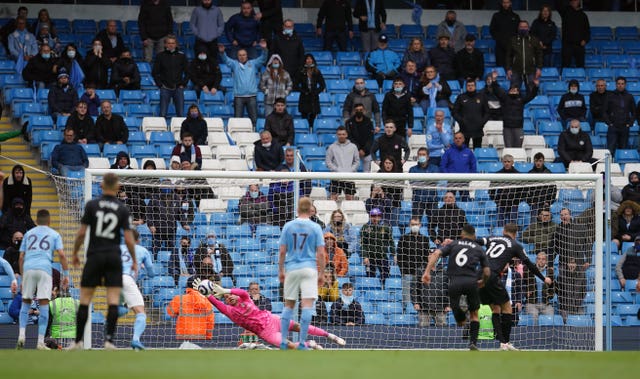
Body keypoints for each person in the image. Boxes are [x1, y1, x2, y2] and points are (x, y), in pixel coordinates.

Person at [68, 173, 136, 350]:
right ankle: (109, 341)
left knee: (85, 299)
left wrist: (75, 252)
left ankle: (77, 342)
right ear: (117, 187)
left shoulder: (92, 205)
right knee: (113, 300)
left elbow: (82, 233)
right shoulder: (122, 208)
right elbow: (129, 239)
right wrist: (134, 260)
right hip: (113, 256)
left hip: (95, 255)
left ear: (102, 185)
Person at [196, 278, 345, 349]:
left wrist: (225, 290)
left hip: (272, 319)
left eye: (231, 295)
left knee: (299, 326)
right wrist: (205, 293)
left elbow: (241, 291)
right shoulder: (229, 311)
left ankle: (331, 336)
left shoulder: (245, 298)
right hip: (265, 332)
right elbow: (216, 303)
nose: (230, 297)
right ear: (227, 302)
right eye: (227, 298)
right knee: (289, 346)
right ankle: (310, 344)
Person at [476, 223, 553, 351]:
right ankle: (505, 342)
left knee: (495, 309)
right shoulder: (515, 245)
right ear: (516, 234)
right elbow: (529, 265)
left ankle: (503, 342)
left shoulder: (492, 238)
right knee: (507, 309)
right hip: (492, 276)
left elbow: (477, 241)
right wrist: (544, 278)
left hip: (479, 275)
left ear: (503, 231)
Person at [422, 224, 490, 350]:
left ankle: (461, 318)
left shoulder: (454, 244)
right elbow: (486, 271)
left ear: (461, 234)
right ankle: (473, 342)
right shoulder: (479, 248)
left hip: (455, 281)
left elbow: (436, 253)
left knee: (456, 308)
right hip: (471, 282)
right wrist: (483, 282)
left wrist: (426, 272)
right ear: (474, 236)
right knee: (475, 314)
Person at [278, 197, 326, 350]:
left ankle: (284, 341)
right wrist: (322, 273)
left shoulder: (288, 226)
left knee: (289, 305)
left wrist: (281, 270)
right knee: (307, 305)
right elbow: (321, 254)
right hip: (309, 269)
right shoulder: (315, 227)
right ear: (311, 210)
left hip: (292, 268)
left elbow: (282, 252)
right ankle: (302, 342)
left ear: (298, 209)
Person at [16, 209, 68, 350]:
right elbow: (62, 255)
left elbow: (21, 257)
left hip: (28, 269)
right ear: (49, 221)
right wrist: (66, 274)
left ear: (36, 221)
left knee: (26, 302)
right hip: (45, 269)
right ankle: (40, 342)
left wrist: (22, 277)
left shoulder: (28, 234)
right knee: (44, 304)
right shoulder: (54, 234)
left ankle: (21, 335)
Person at [551, 208, 592, 318]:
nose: (563, 216)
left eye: (565, 214)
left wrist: (588, 259)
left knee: (579, 286)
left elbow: (587, 245)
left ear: (570, 215)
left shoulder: (581, 228)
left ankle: (576, 308)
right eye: (561, 214)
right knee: (564, 286)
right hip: (563, 263)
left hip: (580, 263)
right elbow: (554, 248)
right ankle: (564, 310)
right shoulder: (558, 230)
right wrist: (550, 263)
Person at [119, 229, 155, 350]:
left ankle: (109, 323)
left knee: (122, 308)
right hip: (127, 279)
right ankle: (136, 340)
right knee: (141, 313)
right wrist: (143, 268)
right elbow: (151, 273)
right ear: (138, 240)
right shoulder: (142, 250)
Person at [219, 40, 268, 127]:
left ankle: (254, 136)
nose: (242, 57)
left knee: (254, 120)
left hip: (251, 96)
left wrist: (264, 49)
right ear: (237, 56)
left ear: (247, 56)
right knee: (238, 121)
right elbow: (226, 60)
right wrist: (222, 53)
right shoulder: (234, 64)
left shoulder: (253, 63)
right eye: (240, 55)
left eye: (244, 55)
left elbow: (263, 58)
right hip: (239, 96)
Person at [490, 71, 539, 148]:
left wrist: (536, 87)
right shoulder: (505, 98)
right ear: (509, 90)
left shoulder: (521, 100)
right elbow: (496, 90)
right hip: (507, 128)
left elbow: (531, 96)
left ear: (518, 91)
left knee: (518, 149)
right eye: (512, 89)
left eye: (515, 90)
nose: (514, 91)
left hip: (518, 127)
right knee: (508, 148)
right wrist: (494, 80)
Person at [397, 217, 430, 311]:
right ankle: (406, 313)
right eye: (412, 224)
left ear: (420, 225)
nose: (414, 226)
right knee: (406, 296)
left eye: (416, 224)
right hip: (407, 273)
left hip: (420, 273)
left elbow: (426, 256)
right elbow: (400, 256)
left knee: (420, 294)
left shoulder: (425, 239)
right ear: (409, 225)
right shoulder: (403, 238)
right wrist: (403, 271)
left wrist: (423, 271)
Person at [166, 276, 215, 341]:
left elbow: (170, 313)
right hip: (201, 336)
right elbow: (210, 321)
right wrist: (208, 336)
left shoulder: (178, 299)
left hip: (182, 336)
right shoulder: (207, 301)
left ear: (187, 286)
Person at [153, 35, 188, 118]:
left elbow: (188, 72)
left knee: (180, 114)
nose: (171, 45)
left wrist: (183, 84)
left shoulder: (182, 56)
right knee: (163, 114)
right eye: (169, 43)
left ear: (176, 44)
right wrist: (160, 85)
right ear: (165, 45)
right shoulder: (160, 56)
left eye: (173, 43)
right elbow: (155, 72)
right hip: (165, 87)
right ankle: (161, 130)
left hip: (178, 88)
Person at [360, 207, 394, 289]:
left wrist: (394, 253)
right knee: (370, 276)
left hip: (382, 257)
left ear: (380, 216)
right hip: (370, 257)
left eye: (377, 216)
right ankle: (372, 292)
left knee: (385, 275)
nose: (375, 218)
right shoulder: (365, 227)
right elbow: (363, 244)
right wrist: (365, 256)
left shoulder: (386, 227)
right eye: (373, 216)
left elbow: (391, 241)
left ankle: (384, 290)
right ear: (370, 216)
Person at [505, 20, 542, 92]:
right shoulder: (512, 40)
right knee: (513, 93)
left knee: (532, 92)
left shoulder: (534, 40)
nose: (523, 28)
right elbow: (508, 56)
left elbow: (539, 55)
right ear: (518, 28)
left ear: (528, 28)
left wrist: (539, 68)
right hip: (516, 71)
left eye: (525, 27)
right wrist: (508, 69)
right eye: (521, 27)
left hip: (531, 70)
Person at [603, 76, 636, 155]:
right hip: (613, 127)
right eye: (618, 84)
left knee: (623, 150)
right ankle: (610, 166)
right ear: (616, 84)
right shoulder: (610, 96)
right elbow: (604, 111)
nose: (620, 85)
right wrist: (609, 123)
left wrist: (630, 123)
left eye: (622, 84)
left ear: (625, 85)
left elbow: (634, 112)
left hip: (625, 127)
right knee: (610, 150)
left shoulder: (629, 96)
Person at [452, 79, 489, 149]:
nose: (470, 87)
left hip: (478, 129)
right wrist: (461, 121)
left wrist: (482, 122)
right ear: (466, 87)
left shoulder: (481, 97)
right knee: (463, 150)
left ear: (475, 86)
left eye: (472, 85)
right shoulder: (461, 97)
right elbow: (454, 112)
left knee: (477, 151)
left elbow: (487, 112)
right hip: (464, 129)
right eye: (468, 85)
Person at [326, 126, 360, 201]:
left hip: (349, 177)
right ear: (337, 135)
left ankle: (350, 213)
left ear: (346, 135)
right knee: (333, 199)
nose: (341, 136)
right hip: (335, 177)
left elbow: (357, 161)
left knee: (350, 199)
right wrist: (336, 170)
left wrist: (351, 170)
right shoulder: (332, 147)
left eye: (343, 134)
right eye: (339, 134)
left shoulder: (353, 147)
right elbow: (328, 161)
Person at [522, 251, 555, 325]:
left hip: (545, 303)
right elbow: (522, 284)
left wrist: (549, 295)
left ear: (546, 261)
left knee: (551, 315)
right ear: (536, 260)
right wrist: (525, 292)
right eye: (539, 259)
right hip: (532, 303)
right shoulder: (529, 270)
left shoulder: (550, 271)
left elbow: (553, 287)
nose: (541, 260)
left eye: (543, 259)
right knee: (534, 315)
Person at [295, 54, 325, 130]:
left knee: (313, 116)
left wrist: (316, 92)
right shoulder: (300, 72)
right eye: (307, 59)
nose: (309, 60)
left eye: (310, 59)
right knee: (304, 116)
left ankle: (311, 130)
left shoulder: (317, 72)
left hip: (314, 97)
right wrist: (303, 91)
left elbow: (322, 85)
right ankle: (305, 130)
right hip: (304, 97)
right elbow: (295, 85)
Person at [558, 0, 590, 69]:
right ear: (570, 2)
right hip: (567, 45)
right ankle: (563, 79)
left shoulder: (583, 15)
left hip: (579, 45)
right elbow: (558, 4)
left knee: (581, 66)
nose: (574, 1)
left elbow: (587, 31)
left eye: (576, 0)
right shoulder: (565, 12)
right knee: (565, 66)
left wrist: (585, 40)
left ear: (579, 1)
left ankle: (581, 79)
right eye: (573, 0)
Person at [409, 147, 439, 219]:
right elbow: (413, 183)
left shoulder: (435, 168)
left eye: (423, 154)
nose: (421, 156)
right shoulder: (412, 169)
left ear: (428, 157)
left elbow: (435, 181)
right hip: (417, 200)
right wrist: (428, 181)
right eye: (420, 154)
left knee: (433, 223)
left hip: (432, 199)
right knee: (416, 222)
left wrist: (420, 181)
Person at [489, 0, 520, 68]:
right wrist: (500, 40)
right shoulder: (496, 16)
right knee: (500, 68)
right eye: (504, 2)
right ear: (502, 3)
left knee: (513, 69)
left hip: (512, 47)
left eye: (507, 2)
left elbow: (519, 31)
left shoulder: (516, 16)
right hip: (500, 47)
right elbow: (492, 30)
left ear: (510, 3)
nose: (506, 4)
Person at [345, 103, 375, 173]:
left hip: (366, 152)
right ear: (354, 111)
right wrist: (357, 149)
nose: (359, 111)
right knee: (351, 173)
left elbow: (370, 138)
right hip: (353, 152)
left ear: (364, 110)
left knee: (367, 173)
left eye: (361, 110)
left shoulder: (369, 122)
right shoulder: (349, 122)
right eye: (357, 110)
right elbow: (349, 137)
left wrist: (364, 150)